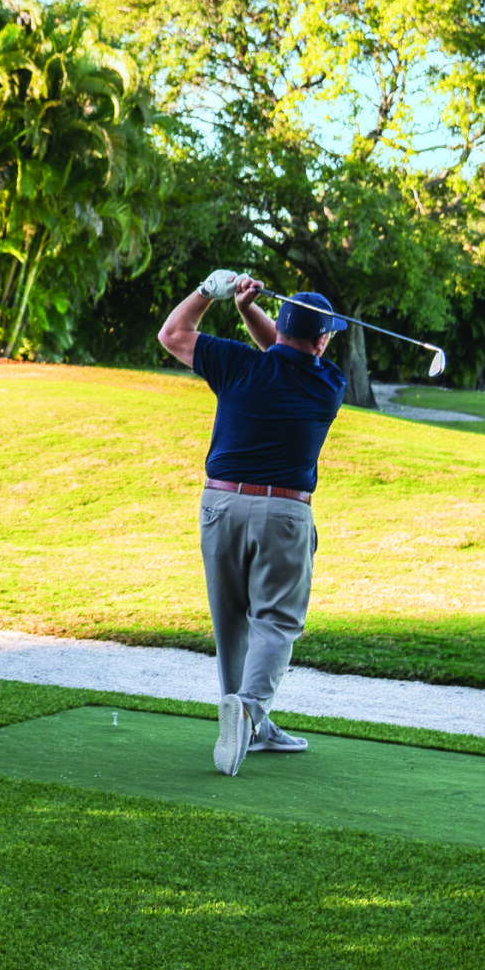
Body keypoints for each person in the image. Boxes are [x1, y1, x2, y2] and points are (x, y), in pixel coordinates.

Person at [157, 275, 351, 777]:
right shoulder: (328, 384)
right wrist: (249, 313)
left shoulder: (237, 364)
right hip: (283, 512)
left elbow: (172, 334)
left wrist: (211, 293)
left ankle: (250, 726)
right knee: (277, 620)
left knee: (231, 621)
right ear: (322, 341)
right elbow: (287, 353)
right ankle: (247, 712)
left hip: (220, 505)